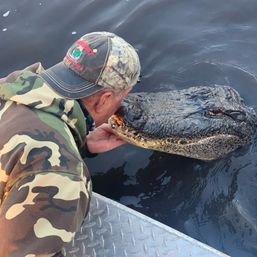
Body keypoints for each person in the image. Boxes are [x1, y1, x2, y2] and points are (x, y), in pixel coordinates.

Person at [0, 31, 141, 257]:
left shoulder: (10, 88)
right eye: (121, 99)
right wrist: (68, 157)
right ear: (105, 99)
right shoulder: (63, 174)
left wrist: (80, 144)